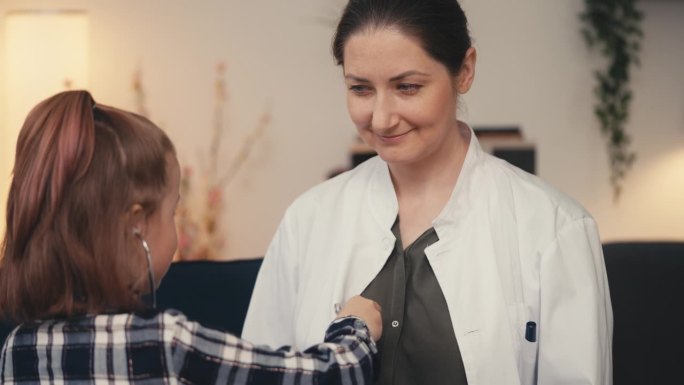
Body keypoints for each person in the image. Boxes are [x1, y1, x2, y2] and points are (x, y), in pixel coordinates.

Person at [242, 0, 613, 384]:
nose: (381, 118)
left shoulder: (556, 229)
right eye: (361, 88)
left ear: (465, 70)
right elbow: (260, 373)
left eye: (407, 87)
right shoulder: (308, 220)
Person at [0, 90, 382, 384]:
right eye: (173, 212)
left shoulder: (17, 347)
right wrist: (355, 327)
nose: (176, 225)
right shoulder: (164, 343)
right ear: (137, 225)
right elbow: (326, 377)